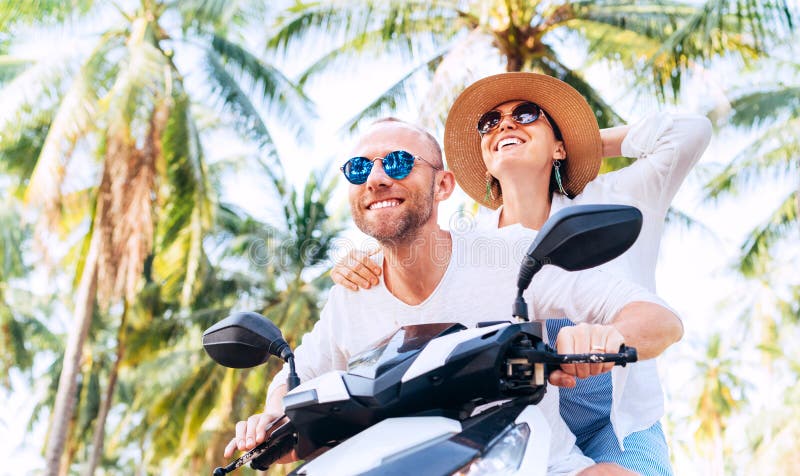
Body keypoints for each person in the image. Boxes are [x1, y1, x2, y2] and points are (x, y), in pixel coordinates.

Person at [225, 118, 684, 475]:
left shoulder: (510, 256)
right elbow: (297, 374)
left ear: (443, 186)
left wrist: (605, 336)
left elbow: (659, 319)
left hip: (538, 461)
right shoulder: (352, 294)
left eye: (400, 163)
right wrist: (271, 418)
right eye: (360, 168)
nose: (378, 178)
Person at [333, 73, 712, 475]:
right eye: (490, 124)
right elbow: (413, 261)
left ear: (560, 145)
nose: (506, 125)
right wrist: (367, 262)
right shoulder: (470, 241)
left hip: (616, 422)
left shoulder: (613, 198)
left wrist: (575, 143)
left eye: (527, 114)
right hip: (523, 423)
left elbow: (690, 131)